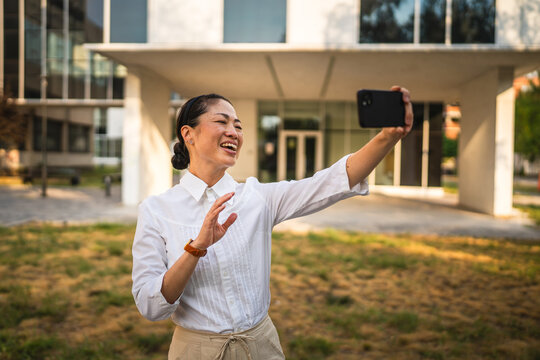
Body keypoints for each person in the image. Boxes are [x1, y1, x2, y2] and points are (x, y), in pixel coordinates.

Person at [132, 88, 413, 359]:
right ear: (188, 134)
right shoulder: (156, 210)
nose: (234, 132)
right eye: (221, 121)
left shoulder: (256, 198)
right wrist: (196, 248)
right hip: (195, 351)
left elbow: (331, 182)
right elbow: (151, 306)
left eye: (238, 126)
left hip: (261, 346)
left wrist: (388, 137)